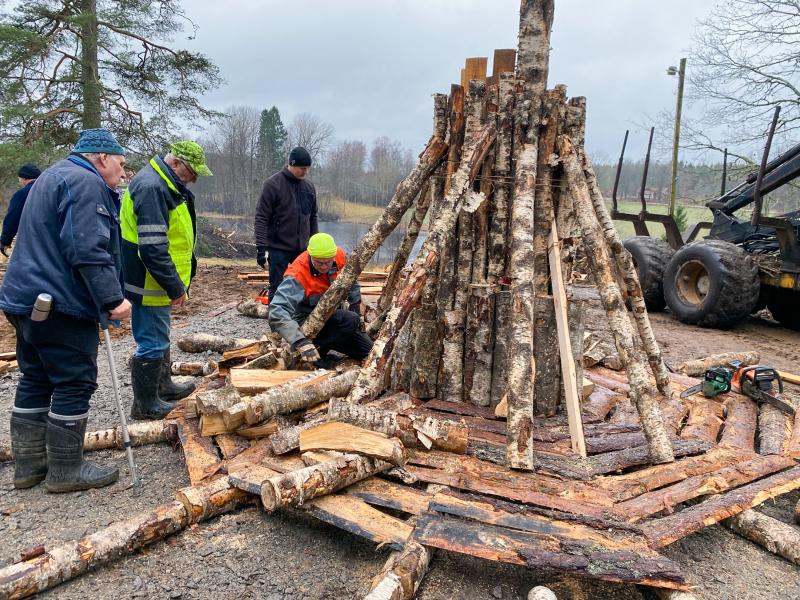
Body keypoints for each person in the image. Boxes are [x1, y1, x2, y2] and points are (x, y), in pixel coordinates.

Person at [0, 128, 131, 493]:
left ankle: (29, 467)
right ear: (103, 158)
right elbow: (88, 249)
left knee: (37, 377)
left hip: (23, 298)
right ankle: (65, 470)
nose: (122, 173)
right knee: (74, 381)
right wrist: (112, 300)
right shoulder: (85, 183)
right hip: (60, 302)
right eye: (120, 164)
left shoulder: (50, 176)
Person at [120, 141, 212, 420]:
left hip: (156, 281)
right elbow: (152, 247)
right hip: (150, 281)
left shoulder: (165, 185)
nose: (194, 180)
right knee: (151, 340)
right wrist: (174, 286)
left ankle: (163, 386)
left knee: (159, 335)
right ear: (175, 164)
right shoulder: (153, 188)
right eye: (191, 173)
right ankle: (145, 405)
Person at [269, 232, 373, 365]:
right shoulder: (297, 275)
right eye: (319, 262)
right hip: (306, 323)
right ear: (310, 255)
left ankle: (324, 348)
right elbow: (277, 310)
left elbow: (350, 277)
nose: (324, 266)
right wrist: (299, 340)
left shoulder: (339, 255)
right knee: (349, 319)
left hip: (331, 319)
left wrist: (355, 302)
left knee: (367, 351)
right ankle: (314, 354)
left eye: (328, 262)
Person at [254, 146, 318, 302]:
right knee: (277, 287)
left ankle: (299, 318)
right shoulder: (273, 184)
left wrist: (315, 244)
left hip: (302, 250)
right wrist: (261, 248)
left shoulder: (309, 187)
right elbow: (261, 217)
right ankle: (275, 320)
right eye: (303, 168)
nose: (306, 172)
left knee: (303, 285)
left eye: (308, 168)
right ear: (292, 164)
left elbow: (313, 217)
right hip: (278, 249)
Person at [0, 164, 42, 256]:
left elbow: (12, 219)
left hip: (32, 241)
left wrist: (5, 241)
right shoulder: (52, 191)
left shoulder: (22, 194)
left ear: (24, 178)